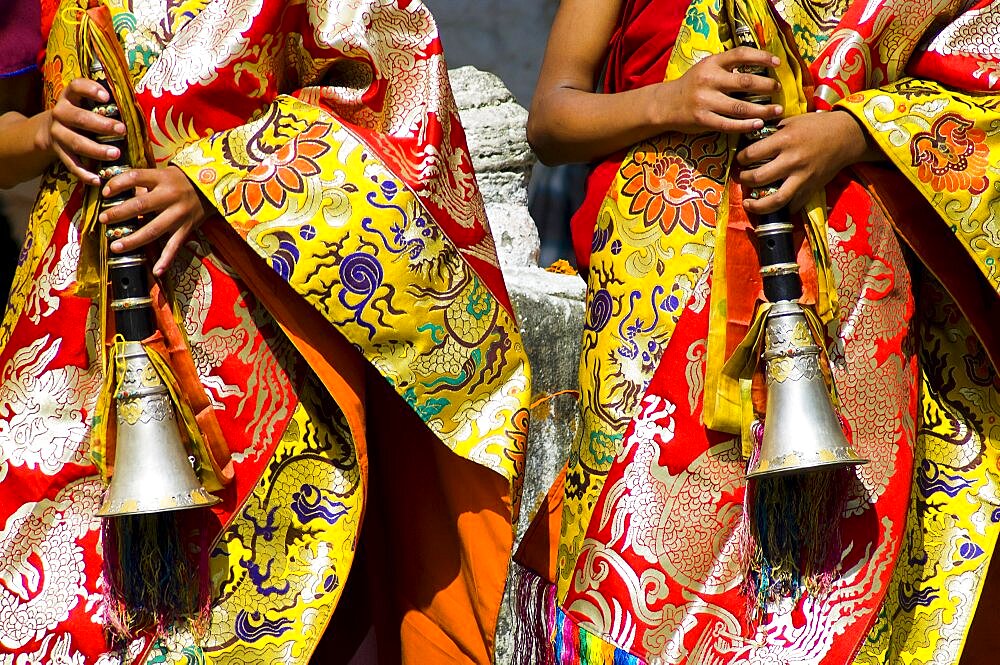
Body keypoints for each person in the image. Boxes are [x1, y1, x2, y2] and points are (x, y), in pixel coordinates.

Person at [0, 0, 530, 662]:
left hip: (258, 347)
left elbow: (396, 97)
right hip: (74, 343)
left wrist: (220, 176)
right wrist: (47, 133)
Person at [513, 0, 1000, 662]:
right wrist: (672, 101)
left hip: (850, 305)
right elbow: (552, 117)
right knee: (634, 581)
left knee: (825, 595)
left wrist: (854, 132)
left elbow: (982, 81)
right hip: (656, 300)